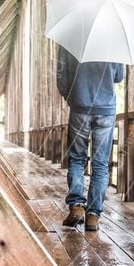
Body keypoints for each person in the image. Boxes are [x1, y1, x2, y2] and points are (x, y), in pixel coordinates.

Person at [56, 46, 125, 231]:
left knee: (77, 159)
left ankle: (77, 206)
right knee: (101, 164)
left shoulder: (69, 37)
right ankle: (93, 216)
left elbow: (61, 78)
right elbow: (119, 76)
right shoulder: (113, 39)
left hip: (79, 107)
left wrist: (72, 98)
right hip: (106, 110)